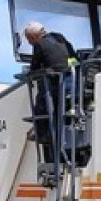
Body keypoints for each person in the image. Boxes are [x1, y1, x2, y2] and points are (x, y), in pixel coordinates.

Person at [22, 22, 76, 166]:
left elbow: (34, 66)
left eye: (28, 39)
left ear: (33, 36)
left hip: (53, 83)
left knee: (41, 104)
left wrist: (31, 74)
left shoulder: (39, 45)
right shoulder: (59, 37)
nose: (29, 42)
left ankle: (41, 132)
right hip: (70, 80)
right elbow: (73, 56)